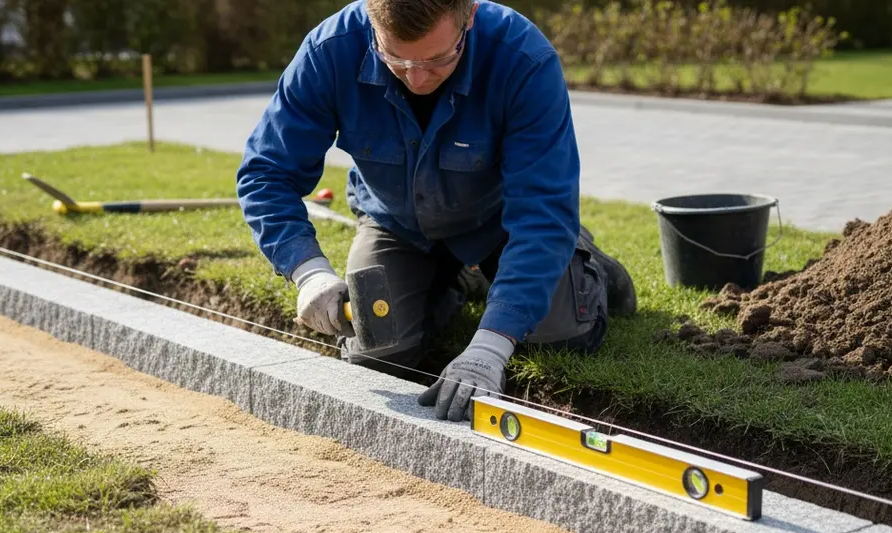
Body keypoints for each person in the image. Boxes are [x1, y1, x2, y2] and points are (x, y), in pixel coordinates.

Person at [236, 0, 636, 422]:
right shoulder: (330, 50)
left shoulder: (523, 60)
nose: (417, 77)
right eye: (394, 58)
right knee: (378, 352)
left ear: (469, 18)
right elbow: (267, 173)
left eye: (438, 59)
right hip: (396, 224)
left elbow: (543, 213)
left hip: (501, 224)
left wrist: (490, 346)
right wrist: (309, 271)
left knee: (558, 335)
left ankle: (589, 267)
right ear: (372, 25)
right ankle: (459, 280)